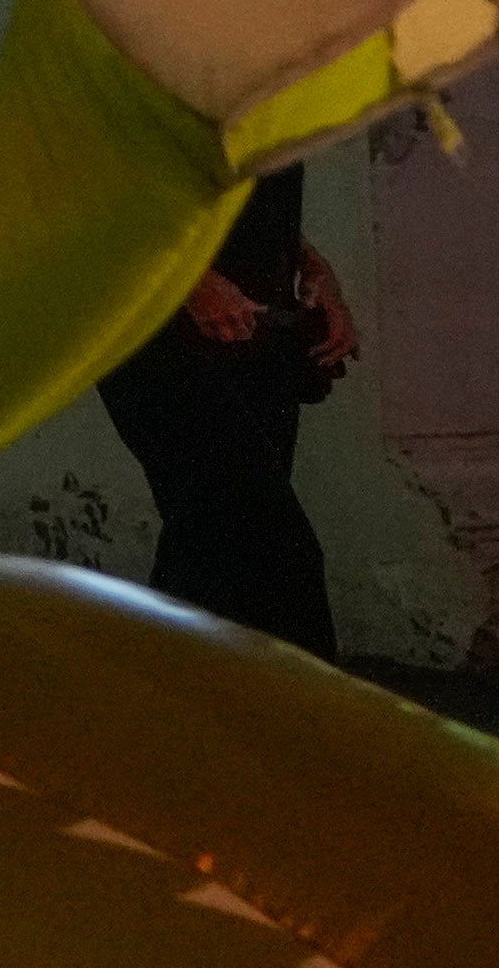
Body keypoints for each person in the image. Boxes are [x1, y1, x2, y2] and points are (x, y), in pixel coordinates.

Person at [91, 163, 353, 654]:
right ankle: (315, 724)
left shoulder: (267, 88)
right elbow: (95, 180)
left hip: (256, 329)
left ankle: (162, 713)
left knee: (207, 555)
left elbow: (251, 197)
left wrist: (314, 272)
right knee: (274, 551)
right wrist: (195, 280)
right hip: (156, 325)